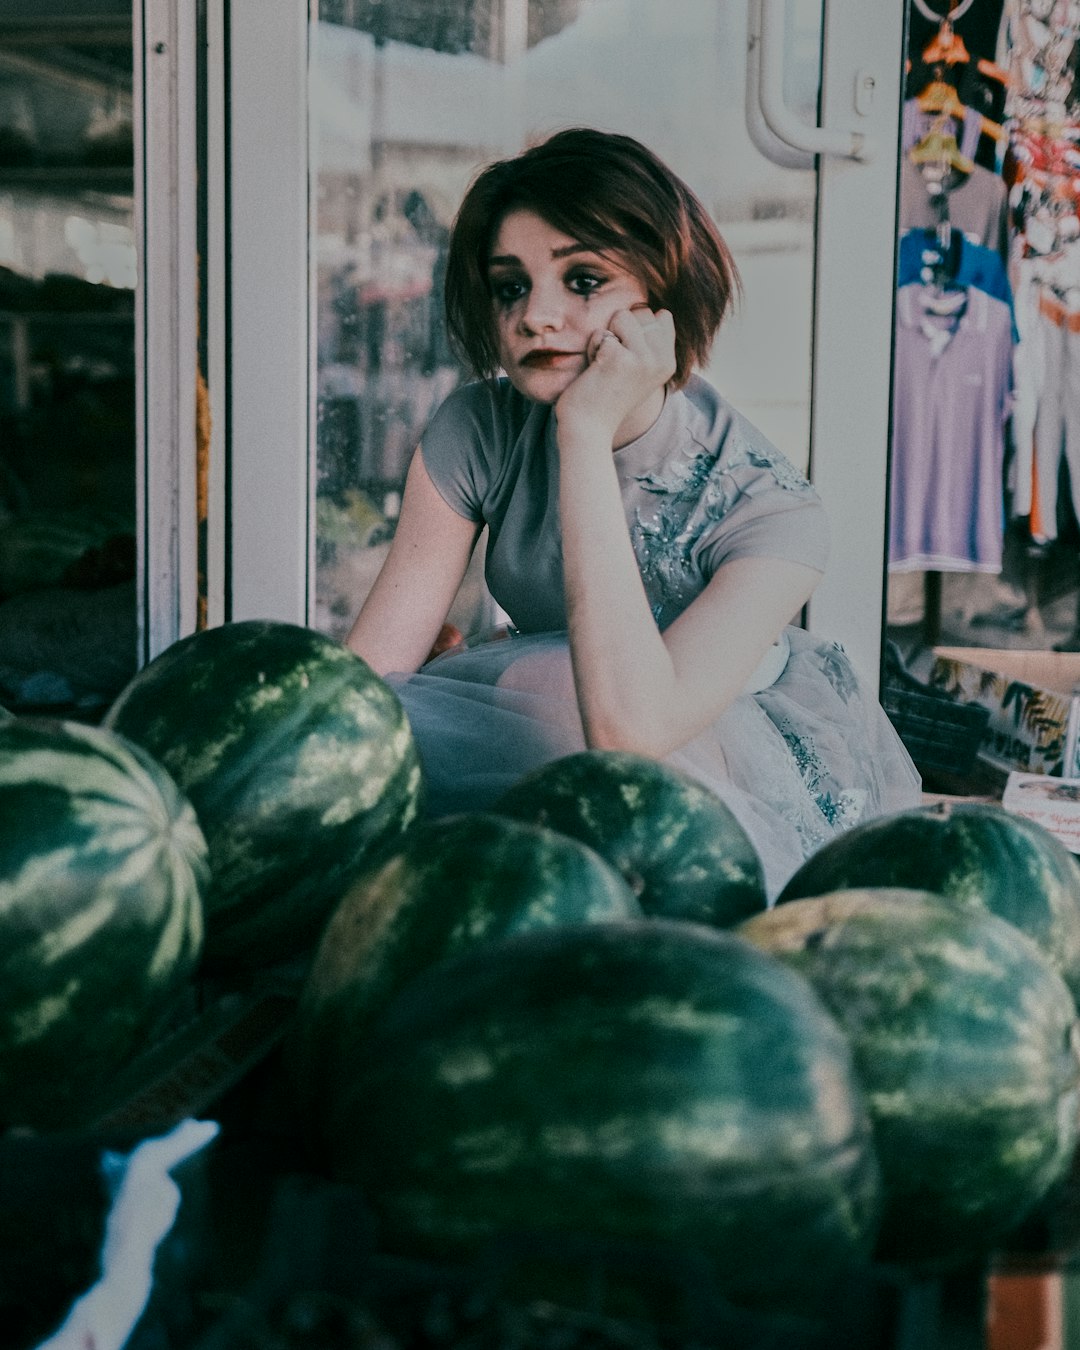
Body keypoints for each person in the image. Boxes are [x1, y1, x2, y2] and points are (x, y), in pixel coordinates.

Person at [346, 127, 921, 898]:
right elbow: (368, 680)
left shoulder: (773, 510)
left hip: (706, 781)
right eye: (511, 285)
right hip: (544, 726)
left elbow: (632, 735)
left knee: (540, 693)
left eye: (583, 281)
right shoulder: (478, 427)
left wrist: (581, 434)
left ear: (666, 300)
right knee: (482, 708)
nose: (535, 317)